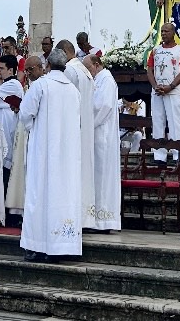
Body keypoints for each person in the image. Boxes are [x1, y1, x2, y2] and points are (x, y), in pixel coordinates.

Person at [19, 49, 83, 262]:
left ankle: (37, 246)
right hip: (67, 154)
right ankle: (64, 246)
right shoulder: (73, 91)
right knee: (64, 194)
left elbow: (25, 113)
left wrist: (34, 128)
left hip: (44, 151)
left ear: (47, 65)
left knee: (39, 193)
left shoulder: (41, 85)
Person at [59, 39, 97, 229]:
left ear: (64, 52)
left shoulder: (70, 70)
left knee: (72, 172)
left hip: (73, 129)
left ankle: (71, 216)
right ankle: (84, 217)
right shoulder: (84, 71)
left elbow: (65, 101)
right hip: (86, 128)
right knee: (84, 172)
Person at [85, 54, 122, 233]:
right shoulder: (97, 79)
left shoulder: (106, 80)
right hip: (96, 135)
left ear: (96, 64)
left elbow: (102, 106)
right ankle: (95, 219)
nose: (87, 72)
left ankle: (103, 221)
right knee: (96, 177)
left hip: (102, 136)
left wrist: (85, 122)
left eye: (88, 68)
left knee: (102, 178)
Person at [5, 54, 43, 223]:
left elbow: (32, 113)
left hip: (31, 132)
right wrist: (18, 109)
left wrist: (22, 111)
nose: (27, 73)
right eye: (26, 70)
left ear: (41, 68)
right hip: (23, 131)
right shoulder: (31, 86)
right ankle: (18, 209)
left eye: (30, 69)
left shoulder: (42, 85)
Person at [148, 21, 180, 162]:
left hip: (173, 91)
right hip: (158, 91)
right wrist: (155, 86)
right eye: (162, 31)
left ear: (173, 33)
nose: (163, 34)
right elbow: (150, 70)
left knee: (175, 123)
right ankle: (159, 155)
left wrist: (170, 86)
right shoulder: (155, 50)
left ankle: (178, 155)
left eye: (166, 31)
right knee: (157, 121)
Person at [0, 55, 24, 195]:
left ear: (11, 70)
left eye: (2, 68)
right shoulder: (6, 84)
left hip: (7, 128)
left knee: (4, 170)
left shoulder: (13, 85)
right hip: (2, 127)